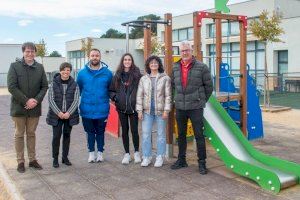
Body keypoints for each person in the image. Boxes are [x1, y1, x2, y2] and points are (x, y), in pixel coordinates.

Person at [170, 41, 213, 175]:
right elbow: (172, 85)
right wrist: (173, 100)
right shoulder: (175, 67)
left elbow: (209, 87)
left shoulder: (202, 67)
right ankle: (182, 160)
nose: (185, 53)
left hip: (195, 106)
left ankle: (202, 163)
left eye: (187, 50)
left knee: (199, 136)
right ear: (180, 52)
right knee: (181, 135)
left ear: (192, 51)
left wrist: (201, 100)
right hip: (180, 107)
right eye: (182, 51)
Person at [7, 42, 48, 173]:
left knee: (31, 134)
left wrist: (35, 100)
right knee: (19, 135)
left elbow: (44, 86)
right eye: (27, 51)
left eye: (32, 51)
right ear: (23, 52)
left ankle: (32, 160)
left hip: (34, 109)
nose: (30, 54)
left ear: (35, 53)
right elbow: (12, 86)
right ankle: (20, 161)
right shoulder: (14, 66)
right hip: (18, 108)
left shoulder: (40, 68)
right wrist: (26, 100)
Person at [77, 49, 112, 163]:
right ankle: (91, 153)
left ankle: (100, 153)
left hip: (102, 109)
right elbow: (79, 90)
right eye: (92, 55)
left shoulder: (108, 73)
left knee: (101, 132)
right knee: (90, 132)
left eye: (97, 55)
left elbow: (111, 89)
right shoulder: (82, 74)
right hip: (86, 109)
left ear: (100, 56)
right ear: (89, 57)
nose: (95, 57)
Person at [136, 55, 171, 167]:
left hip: (161, 112)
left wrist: (166, 110)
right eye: (151, 63)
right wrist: (139, 110)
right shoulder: (143, 79)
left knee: (161, 135)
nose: (154, 64)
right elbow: (139, 95)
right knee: (146, 134)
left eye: (156, 63)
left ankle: (160, 156)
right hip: (147, 112)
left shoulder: (165, 78)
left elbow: (168, 96)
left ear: (159, 64)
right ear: (148, 65)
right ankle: (147, 156)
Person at [109, 53, 142, 164]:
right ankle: (127, 154)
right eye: (125, 60)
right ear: (122, 62)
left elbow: (142, 90)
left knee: (134, 130)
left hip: (133, 108)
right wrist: (115, 97)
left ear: (132, 61)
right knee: (125, 131)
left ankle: (137, 152)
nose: (127, 61)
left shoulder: (137, 75)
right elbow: (111, 90)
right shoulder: (117, 76)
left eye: (129, 60)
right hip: (122, 108)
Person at [46, 62, 80, 168]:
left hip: (69, 116)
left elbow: (76, 100)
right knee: (56, 136)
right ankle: (55, 158)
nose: (66, 72)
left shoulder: (75, 84)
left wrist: (68, 113)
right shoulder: (53, 84)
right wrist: (59, 113)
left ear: (70, 71)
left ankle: (65, 157)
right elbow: (50, 99)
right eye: (64, 70)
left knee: (67, 136)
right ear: (60, 71)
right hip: (56, 116)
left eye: (68, 70)